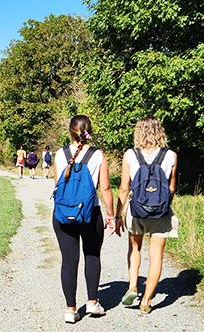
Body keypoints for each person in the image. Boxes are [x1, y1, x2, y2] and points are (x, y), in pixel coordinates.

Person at [52, 115, 118, 323]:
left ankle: (70, 310)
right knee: (92, 255)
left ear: (70, 131)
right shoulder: (97, 155)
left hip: (63, 214)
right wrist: (111, 214)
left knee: (69, 261)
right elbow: (105, 188)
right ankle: (92, 302)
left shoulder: (59, 154)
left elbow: (59, 185)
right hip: (91, 213)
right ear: (89, 132)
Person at [118, 116, 179, 314]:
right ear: (160, 132)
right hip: (160, 213)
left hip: (136, 211)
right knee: (156, 257)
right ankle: (146, 301)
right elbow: (171, 188)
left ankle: (133, 286)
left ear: (138, 132)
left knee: (134, 248)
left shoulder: (130, 155)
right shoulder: (171, 155)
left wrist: (120, 215)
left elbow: (124, 188)